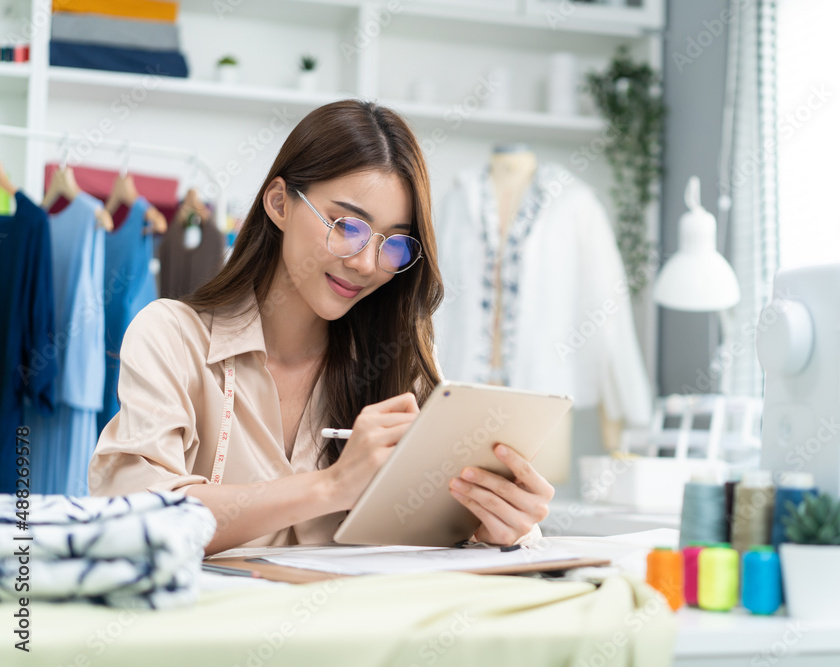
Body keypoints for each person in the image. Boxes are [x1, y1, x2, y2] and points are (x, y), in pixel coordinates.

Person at [89, 100, 553, 555]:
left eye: (393, 243)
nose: (368, 264)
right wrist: (331, 486)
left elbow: (434, 530)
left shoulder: (395, 368)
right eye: (347, 225)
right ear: (279, 204)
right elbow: (134, 517)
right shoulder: (172, 338)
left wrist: (499, 525)